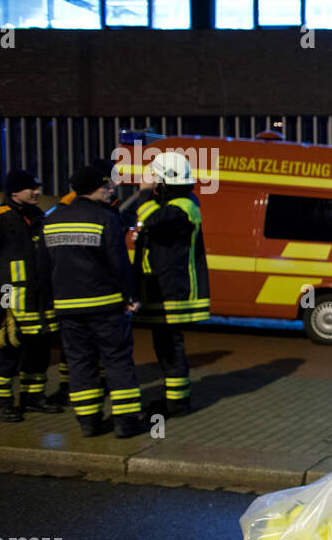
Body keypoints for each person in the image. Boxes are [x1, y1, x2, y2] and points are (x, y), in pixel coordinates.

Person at [44, 167, 146, 438]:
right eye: (107, 186)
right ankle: (125, 422)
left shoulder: (52, 219)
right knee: (117, 360)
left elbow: (43, 265)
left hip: (67, 307)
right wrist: (131, 296)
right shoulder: (105, 218)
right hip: (105, 305)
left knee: (79, 363)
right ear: (94, 188)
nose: (112, 189)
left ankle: (89, 422)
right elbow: (119, 262)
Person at [0, 169, 61, 422]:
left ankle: (33, 397)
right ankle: (1, 402)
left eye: (37, 188)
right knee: (6, 353)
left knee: (39, 351)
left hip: (40, 302)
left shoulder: (39, 217)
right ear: (13, 192)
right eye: (31, 188)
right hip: (9, 301)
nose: (37, 192)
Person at [131, 152, 211, 417]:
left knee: (170, 346)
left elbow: (152, 223)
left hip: (172, 290)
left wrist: (143, 195)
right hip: (164, 286)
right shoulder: (174, 203)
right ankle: (172, 399)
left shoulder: (183, 207)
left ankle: (177, 404)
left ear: (164, 179)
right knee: (164, 346)